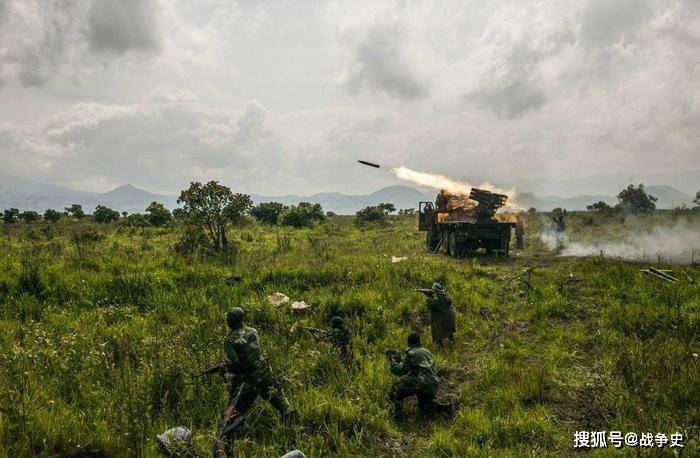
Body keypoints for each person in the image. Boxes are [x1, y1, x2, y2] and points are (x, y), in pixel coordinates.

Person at [219, 307, 297, 437]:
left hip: (249, 380)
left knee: (234, 411)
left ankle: (230, 438)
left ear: (229, 322)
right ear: (243, 319)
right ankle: (292, 430)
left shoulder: (229, 340)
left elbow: (236, 364)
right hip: (266, 372)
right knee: (282, 403)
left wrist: (225, 367)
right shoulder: (253, 331)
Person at [386, 332, 452, 421]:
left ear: (409, 343)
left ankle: (398, 417)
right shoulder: (427, 352)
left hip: (421, 382)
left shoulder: (411, 353)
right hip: (433, 384)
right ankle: (446, 408)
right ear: (419, 342)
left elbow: (400, 371)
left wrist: (393, 361)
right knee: (424, 407)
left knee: (395, 390)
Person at [424, 281, 456, 345]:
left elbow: (430, 306)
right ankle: (451, 339)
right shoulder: (447, 296)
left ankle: (439, 342)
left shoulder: (437, 300)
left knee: (434, 321)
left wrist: (428, 297)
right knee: (439, 314)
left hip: (444, 321)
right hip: (452, 320)